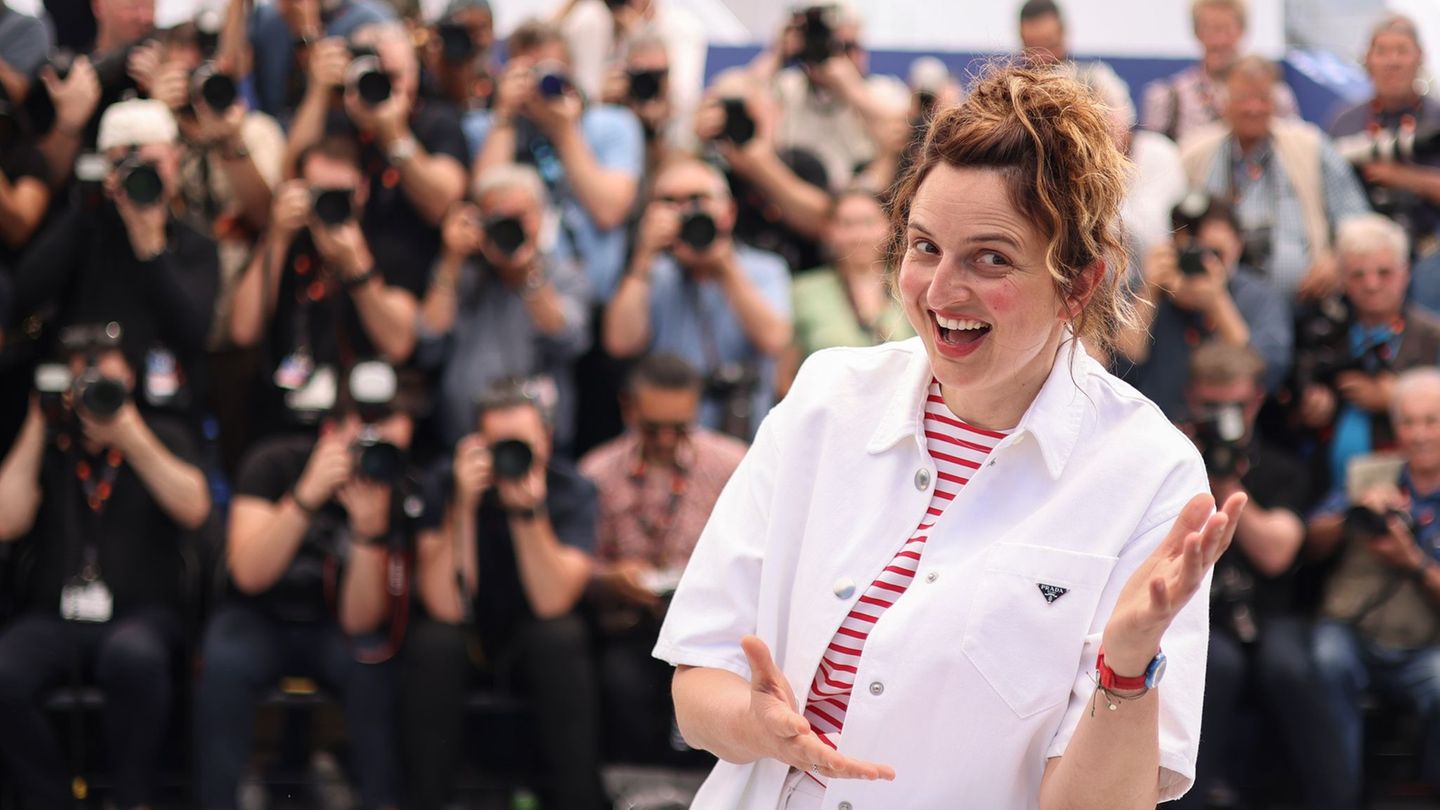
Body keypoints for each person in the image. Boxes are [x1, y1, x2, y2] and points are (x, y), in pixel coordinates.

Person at [652, 62, 1246, 807]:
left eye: (990, 259)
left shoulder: (1148, 474)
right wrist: (759, 725)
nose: (939, 292)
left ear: (1080, 285)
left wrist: (1125, 670)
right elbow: (697, 684)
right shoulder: (826, 398)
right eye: (925, 246)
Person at [0, 325, 210, 809]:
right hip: (55, 616)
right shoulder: (52, 444)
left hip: (141, 615)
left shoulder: (163, 434)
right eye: (81, 364)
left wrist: (130, 436)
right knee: (5, 671)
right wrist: (39, 421)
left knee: (133, 658)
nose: (91, 375)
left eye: (105, 363)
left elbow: (196, 508)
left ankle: (131, 799)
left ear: (132, 376)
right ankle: (50, 799)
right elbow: (8, 522)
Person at [195, 363, 418, 810]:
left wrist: (368, 533)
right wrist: (305, 497)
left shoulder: (398, 485)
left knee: (375, 664)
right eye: (365, 420)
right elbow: (248, 575)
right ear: (333, 428)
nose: (374, 435)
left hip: (334, 624)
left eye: (387, 421)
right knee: (222, 664)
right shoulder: (275, 461)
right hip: (258, 615)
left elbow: (360, 620)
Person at [403, 379, 604, 810]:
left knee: (561, 636)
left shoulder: (572, 490)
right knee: (433, 641)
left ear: (547, 441)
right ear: (477, 445)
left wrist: (527, 512)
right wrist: (463, 507)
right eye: (499, 445)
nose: (511, 456)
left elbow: (553, 602)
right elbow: (444, 603)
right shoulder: (444, 483)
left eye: (524, 444)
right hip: (469, 631)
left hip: (535, 634)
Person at [1171, 342, 1346, 810]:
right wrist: (1189, 461)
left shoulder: (1281, 465)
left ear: (1255, 401)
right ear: (1192, 397)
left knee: (1289, 668)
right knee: (1214, 665)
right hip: (1200, 610)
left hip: (1271, 611)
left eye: (1233, 405)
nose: (1223, 417)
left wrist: (1227, 483)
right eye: (1211, 405)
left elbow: (1277, 555)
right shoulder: (1170, 461)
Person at [579, 353, 748, 762]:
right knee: (621, 682)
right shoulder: (597, 472)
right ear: (628, 409)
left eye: (680, 427)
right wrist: (611, 577)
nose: (667, 440)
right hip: (631, 627)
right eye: (654, 428)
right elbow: (577, 567)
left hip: (713, 631)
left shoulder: (731, 463)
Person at [11, 99, 221, 424]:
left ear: (176, 160)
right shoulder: (82, 232)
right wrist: (85, 206)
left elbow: (193, 332)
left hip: (161, 416)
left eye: (151, 163)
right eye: (124, 164)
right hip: (77, 409)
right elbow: (24, 293)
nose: (139, 176)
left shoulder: (196, 245)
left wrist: (152, 249)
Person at [229, 133, 420, 441]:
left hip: (367, 421)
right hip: (287, 422)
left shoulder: (385, 248)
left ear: (362, 190)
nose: (331, 204)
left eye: (341, 193)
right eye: (320, 193)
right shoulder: (286, 244)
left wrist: (358, 267)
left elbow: (399, 344)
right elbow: (243, 330)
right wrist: (276, 238)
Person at [1306, 367, 1440, 806]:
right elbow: (1312, 544)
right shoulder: (1370, 473)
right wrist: (1354, 511)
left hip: (1426, 644)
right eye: (1409, 422)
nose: (1419, 434)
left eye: (1431, 421)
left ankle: (1424, 789)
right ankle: (1338, 796)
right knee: (1327, 656)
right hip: (1356, 630)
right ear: (1395, 426)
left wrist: (1413, 561)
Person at [603, 156, 792, 440]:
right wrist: (642, 258)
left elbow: (774, 339)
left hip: (741, 435)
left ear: (728, 211)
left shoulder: (764, 269)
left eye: (697, 199)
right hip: (664, 437)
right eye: (669, 202)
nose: (685, 212)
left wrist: (725, 267)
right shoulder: (651, 273)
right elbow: (620, 343)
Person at [416, 162, 590, 451]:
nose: (509, 228)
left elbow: (569, 342)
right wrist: (451, 259)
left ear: (542, 218)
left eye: (520, 217)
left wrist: (528, 273)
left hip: (544, 450)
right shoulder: (462, 275)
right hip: (464, 442)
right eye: (497, 218)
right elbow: (428, 343)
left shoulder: (565, 275)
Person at [469, 18, 643, 302]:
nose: (538, 85)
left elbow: (608, 210)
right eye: (527, 74)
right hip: (512, 298)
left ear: (571, 72)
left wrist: (564, 131)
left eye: (548, 72)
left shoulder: (613, 124)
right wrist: (504, 118)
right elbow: (485, 203)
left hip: (595, 300)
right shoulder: (486, 128)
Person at [286, 21, 469, 280]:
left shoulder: (437, 121)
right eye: (372, 74)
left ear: (415, 73)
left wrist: (394, 135)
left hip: (414, 284)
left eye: (393, 77)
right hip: (338, 284)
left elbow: (442, 203)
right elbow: (293, 177)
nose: (381, 86)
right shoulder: (338, 117)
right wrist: (318, 92)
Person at [1179, 54, 1370, 301]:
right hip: (1212, 304)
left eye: (1263, 98)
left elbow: (1357, 220)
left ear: (1275, 101)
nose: (1253, 108)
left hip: (1305, 302)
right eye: (1243, 98)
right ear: (1223, 101)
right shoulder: (1194, 153)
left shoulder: (1309, 145)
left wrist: (1336, 259)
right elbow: (1174, 226)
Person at [1294, 213, 1440, 495]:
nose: (1371, 284)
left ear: (1405, 273)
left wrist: (1394, 399)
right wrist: (1310, 408)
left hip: (1412, 491)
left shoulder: (1432, 336)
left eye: (1384, 273)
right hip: (1326, 486)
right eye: (1358, 275)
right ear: (1343, 280)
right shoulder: (1322, 332)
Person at [1117, 194, 1292, 420]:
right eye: (1191, 254)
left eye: (1215, 254)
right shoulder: (1146, 291)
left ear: (1238, 246)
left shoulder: (1257, 297)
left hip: (1229, 430)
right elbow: (1118, 370)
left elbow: (1265, 377)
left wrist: (1217, 302)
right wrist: (1149, 290)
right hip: (1156, 426)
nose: (1203, 264)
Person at [747, 3, 908, 194]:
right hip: (795, 205)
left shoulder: (881, 90)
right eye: (829, 45)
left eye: (846, 47)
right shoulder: (786, 87)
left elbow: (908, 133)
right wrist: (777, 53)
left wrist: (852, 89)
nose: (835, 55)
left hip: (863, 205)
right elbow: (736, 99)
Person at [780, 188, 913, 396]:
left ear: (890, 227)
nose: (859, 235)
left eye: (868, 222)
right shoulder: (803, 291)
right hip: (826, 414)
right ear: (828, 230)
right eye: (847, 224)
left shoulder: (910, 285)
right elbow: (784, 377)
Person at [1328, 13, 1440, 260]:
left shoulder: (1435, 118)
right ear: (1367, 60)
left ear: (1419, 58)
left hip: (1429, 248)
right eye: (1382, 52)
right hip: (1360, 254)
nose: (1393, 62)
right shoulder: (1344, 122)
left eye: (1402, 51)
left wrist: (1405, 178)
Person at [1141, 0, 1299, 144]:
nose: (1218, 41)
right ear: (1196, 32)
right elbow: (1155, 159)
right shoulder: (1169, 98)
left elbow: (1293, 150)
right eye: (1209, 29)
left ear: (1242, 31)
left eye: (1226, 29)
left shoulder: (1276, 96)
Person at [246, 0, 394, 121]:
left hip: (333, 136)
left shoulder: (367, 18)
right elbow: (233, 68)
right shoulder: (267, 17)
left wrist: (307, 32)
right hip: (272, 131)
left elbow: (328, 90)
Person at [1017, 0, 1068, 65]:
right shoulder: (1006, 72)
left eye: (1050, 47)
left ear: (1062, 33)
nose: (1041, 59)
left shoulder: (1083, 72)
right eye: (1033, 50)